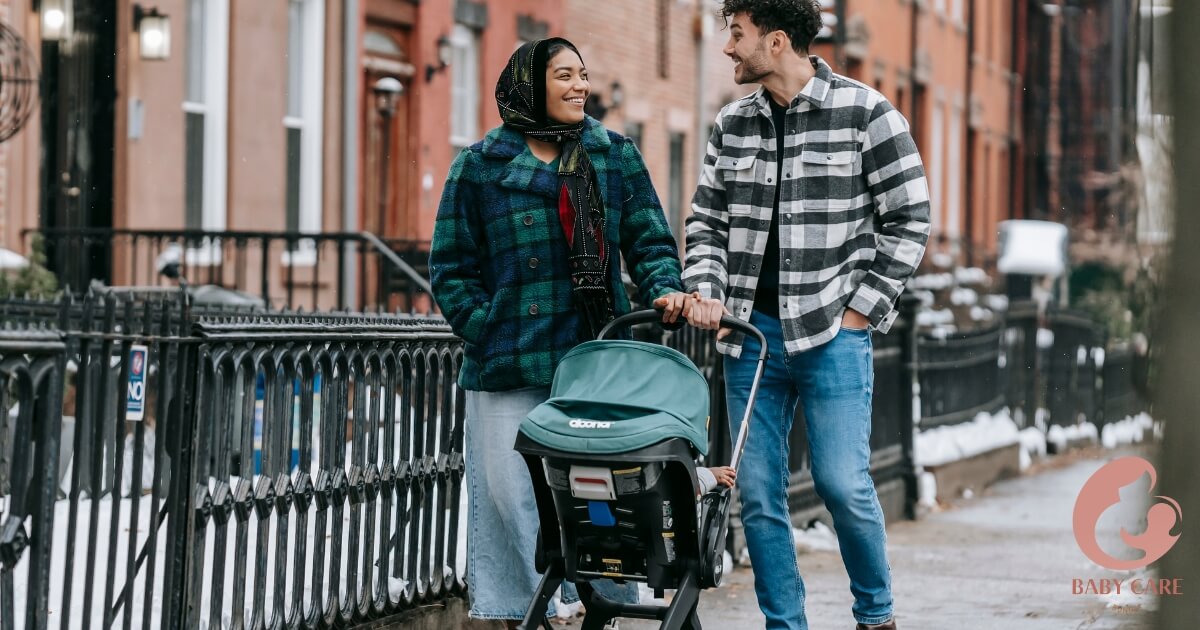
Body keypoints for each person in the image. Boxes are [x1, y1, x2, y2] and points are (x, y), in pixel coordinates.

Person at [430, 37, 698, 627]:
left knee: (602, 496)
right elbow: (450, 266)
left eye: (583, 74)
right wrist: (484, 324)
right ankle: (543, 609)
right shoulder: (480, 166)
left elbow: (650, 241)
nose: (580, 86)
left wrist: (664, 288)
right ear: (530, 85)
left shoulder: (612, 155)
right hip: (506, 358)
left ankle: (601, 606)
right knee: (511, 497)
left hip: (595, 360)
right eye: (564, 75)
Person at [680, 2, 932, 629]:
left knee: (843, 485)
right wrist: (706, 287)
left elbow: (910, 219)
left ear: (776, 40)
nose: (728, 49)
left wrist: (861, 311)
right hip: (750, 340)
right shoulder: (731, 124)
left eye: (737, 35)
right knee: (759, 497)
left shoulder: (867, 114)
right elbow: (706, 222)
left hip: (830, 334)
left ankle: (876, 616)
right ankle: (783, 624)